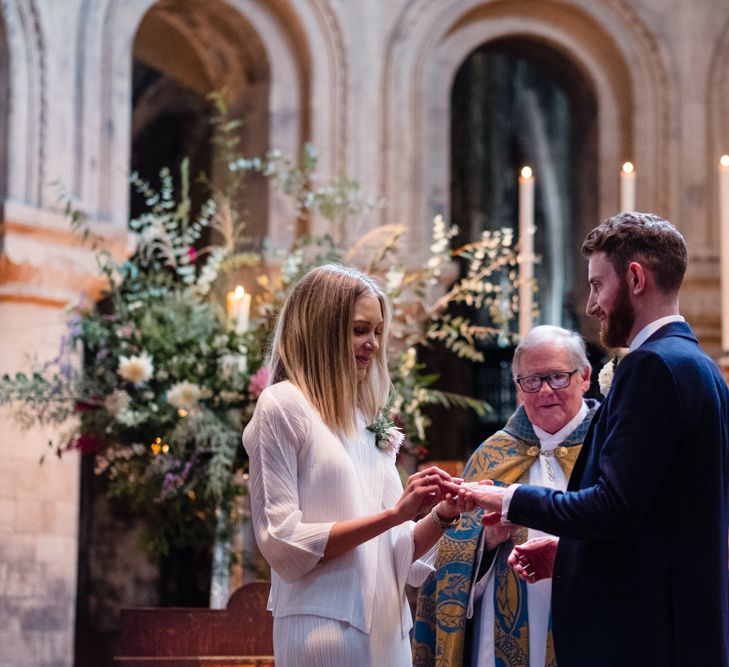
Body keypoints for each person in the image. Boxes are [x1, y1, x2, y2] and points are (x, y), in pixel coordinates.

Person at [466, 213, 729, 666]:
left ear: (634, 278)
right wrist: (571, 553)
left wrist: (508, 498)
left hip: (642, 640)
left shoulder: (651, 368)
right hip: (682, 630)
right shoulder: (701, 367)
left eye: (596, 284)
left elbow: (613, 506)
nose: (591, 305)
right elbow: (655, 518)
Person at [242, 263, 469, 667]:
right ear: (322, 330)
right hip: (324, 629)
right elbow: (281, 539)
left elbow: (397, 551)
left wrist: (441, 514)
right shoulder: (283, 406)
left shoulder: (367, 419)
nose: (374, 344)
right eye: (360, 330)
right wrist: (394, 514)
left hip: (387, 630)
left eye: (378, 332)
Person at [412, 325, 599, 667]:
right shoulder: (492, 456)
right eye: (531, 381)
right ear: (517, 389)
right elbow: (449, 563)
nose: (545, 391)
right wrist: (486, 540)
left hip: (593, 620)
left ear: (585, 377)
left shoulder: (610, 447)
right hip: (500, 630)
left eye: (558, 377)